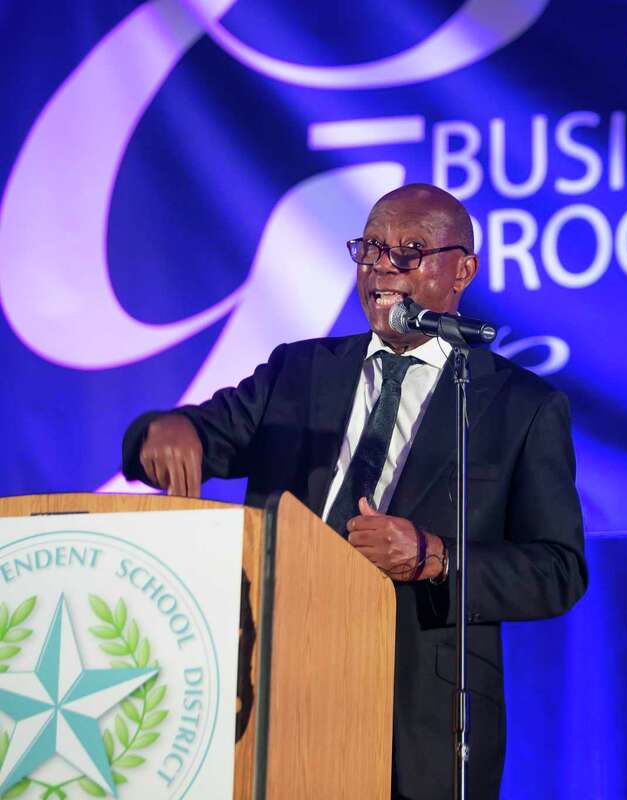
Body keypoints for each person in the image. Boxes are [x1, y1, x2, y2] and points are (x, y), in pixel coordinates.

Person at [121, 184, 588, 800]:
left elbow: (558, 570)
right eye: (370, 249)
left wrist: (434, 557)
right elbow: (193, 437)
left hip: (416, 707)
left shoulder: (520, 407)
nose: (380, 268)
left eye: (410, 251)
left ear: (462, 271)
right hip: (273, 676)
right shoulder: (299, 371)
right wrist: (163, 429)